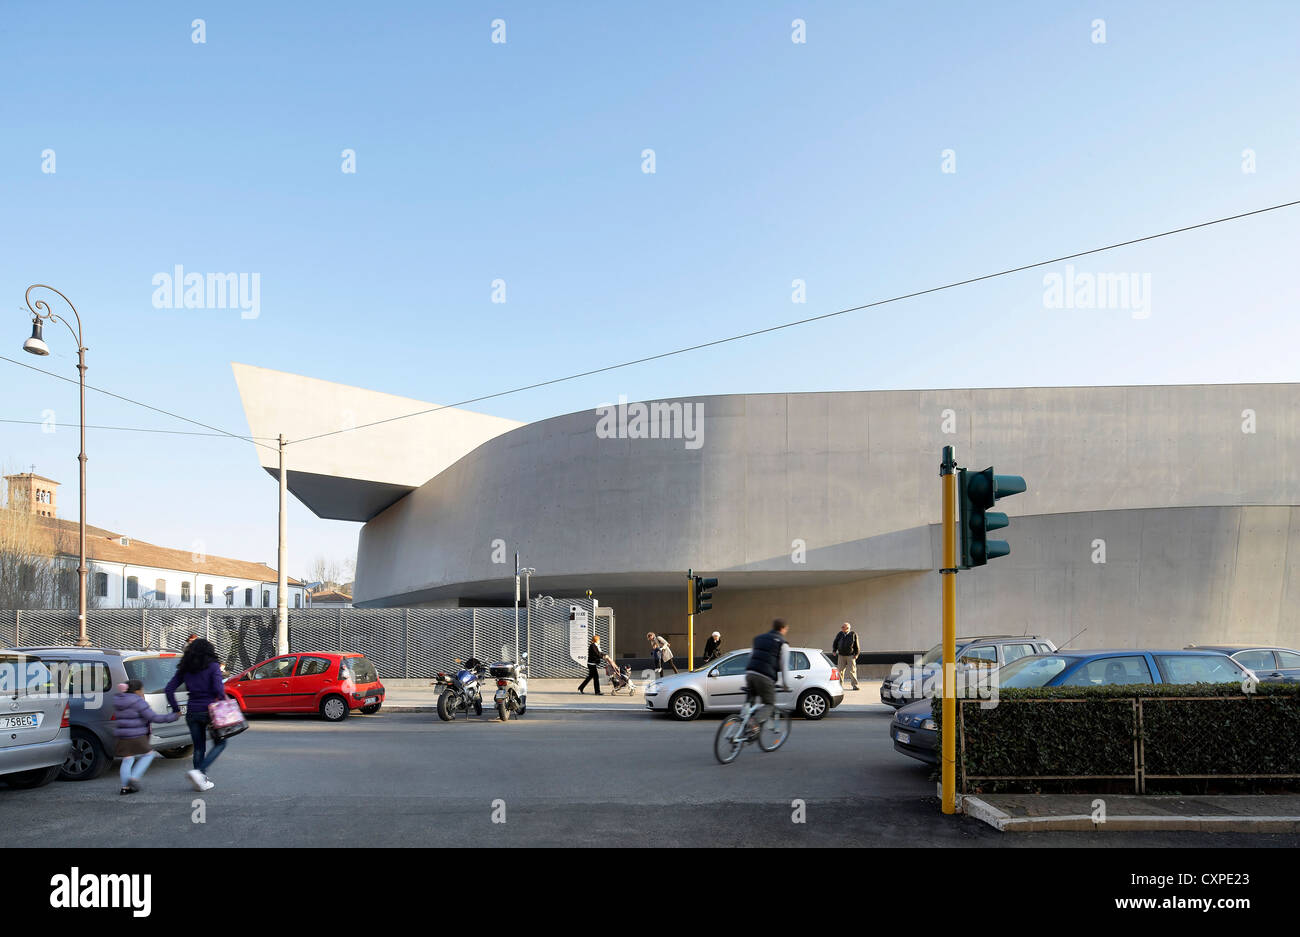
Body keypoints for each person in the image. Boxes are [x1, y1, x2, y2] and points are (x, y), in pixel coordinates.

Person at [164, 637, 230, 792]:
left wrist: (175, 709)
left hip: (192, 710)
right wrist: (224, 706)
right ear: (209, 651)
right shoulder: (213, 667)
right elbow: (219, 691)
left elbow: (169, 689)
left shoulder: (185, 668)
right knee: (221, 743)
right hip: (210, 711)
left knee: (199, 747)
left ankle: (200, 780)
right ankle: (199, 773)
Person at [111, 678, 180, 795]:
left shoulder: (119, 700)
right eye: (142, 689)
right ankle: (134, 778)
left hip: (122, 736)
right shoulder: (138, 702)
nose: (143, 691)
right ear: (137, 691)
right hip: (137, 736)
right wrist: (172, 716)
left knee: (127, 759)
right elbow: (154, 718)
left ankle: (125, 787)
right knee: (149, 754)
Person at [745, 619, 788, 733]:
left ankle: (743, 721)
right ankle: (753, 723)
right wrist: (785, 684)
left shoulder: (758, 638)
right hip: (765, 676)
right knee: (769, 704)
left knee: (751, 701)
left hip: (750, 673)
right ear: (783, 628)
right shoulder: (782, 643)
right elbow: (784, 666)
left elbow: (750, 656)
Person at [832, 622, 861, 690]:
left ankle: (854, 685)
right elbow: (835, 642)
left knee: (852, 671)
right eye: (842, 627)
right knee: (840, 671)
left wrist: (856, 654)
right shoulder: (840, 634)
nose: (841, 628)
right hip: (841, 655)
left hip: (850, 656)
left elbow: (857, 645)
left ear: (847, 628)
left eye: (843, 627)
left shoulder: (853, 634)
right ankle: (839, 685)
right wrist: (834, 650)